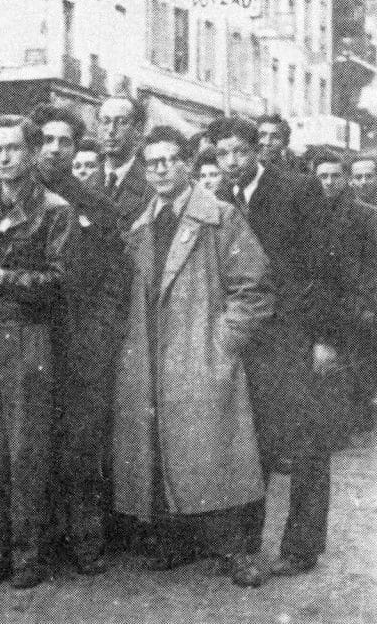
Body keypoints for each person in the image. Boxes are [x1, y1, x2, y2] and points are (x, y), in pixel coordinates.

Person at [113, 125, 272, 588]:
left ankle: (237, 551)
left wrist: (222, 343)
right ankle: (176, 542)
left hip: (201, 353)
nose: (160, 170)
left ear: (187, 164)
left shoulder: (220, 217)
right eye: (152, 163)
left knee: (219, 455)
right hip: (152, 358)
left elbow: (253, 288)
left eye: (169, 160)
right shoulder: (141, 225)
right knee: (164, 450)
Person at [209, 116, 348, 576]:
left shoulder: (296, 189)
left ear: (257, 151)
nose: (231, 161)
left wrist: (325, 338)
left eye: (240, 151)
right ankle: (244, 545)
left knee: (306, 441)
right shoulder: (219, 197)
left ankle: (300, 548)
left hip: (295, 334)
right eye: (223, 153)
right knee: (250, 440)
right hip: (247, 336)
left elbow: (326, 267)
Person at [0, 114, 75, 589]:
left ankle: (30, 555)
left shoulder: (54, 209)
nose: (4, 157)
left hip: (27, 335)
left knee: (26, 448)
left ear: (30, 153)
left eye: (13, 148)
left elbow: (62, 283)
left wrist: (7, 278)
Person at [29, 104, 132, 575]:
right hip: (27, 333)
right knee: (31, 439)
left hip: (79, 338)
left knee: (82, 442)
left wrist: (100, 332)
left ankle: (87, 541)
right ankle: (37, 539)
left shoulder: (95, 205)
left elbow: (115, 277)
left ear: (76, 148)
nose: (54, 149)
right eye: (46, 140)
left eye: (64, 141)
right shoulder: (13, 197)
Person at [313, 152, 377, 433]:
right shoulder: (307, 213)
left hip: (354, 306)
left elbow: (372, 265)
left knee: (355, 371)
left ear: (346, 179)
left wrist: (365, 304)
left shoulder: (366, 215)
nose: (328, 182)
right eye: (322, 176)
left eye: (335, 176)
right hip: (319, 303)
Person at [96, 96, 152, 229]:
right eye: (105, 122)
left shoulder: (150, 188)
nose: (111, 130)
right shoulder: (86, 182)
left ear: (138, 130)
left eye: (122, 122)